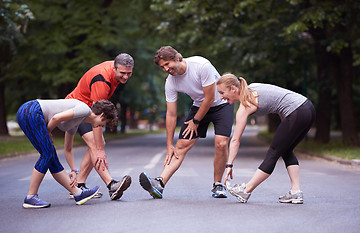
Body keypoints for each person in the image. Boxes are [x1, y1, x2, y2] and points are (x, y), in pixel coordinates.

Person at [139, 46, 234, 199]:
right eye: (162, 67)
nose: (165, 69)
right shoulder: (170, 82)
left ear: (177, 58)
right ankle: (159, 183)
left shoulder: (201, 66)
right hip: (199, 106)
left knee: (221, 143)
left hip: (221, 105)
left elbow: (209, 98)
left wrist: (195, 121)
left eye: (167, 64)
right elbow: (171, 114)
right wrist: (169, 145)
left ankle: (218, 184)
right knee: (181, 145)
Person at [216, 73, 316, 204]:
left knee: (273, 152)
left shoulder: (245, 106)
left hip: (297, 111)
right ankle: (295, 192)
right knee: (286, 150)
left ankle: (246, 190)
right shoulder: (253, 87)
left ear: (233, 89)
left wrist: (229, 165)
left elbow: (235, 140)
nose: (221, 97)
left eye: (222, 92)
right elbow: (279, 101)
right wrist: (287, 126)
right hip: (308, 108)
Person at [17, 99, 117, 208]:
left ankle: (78, 194)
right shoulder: (84, 110)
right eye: (104, 123)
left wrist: (74, 170)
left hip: (29, 113)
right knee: (48, 154)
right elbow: (56, 118)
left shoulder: (77, 121)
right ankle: (31, 197)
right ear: (102, 115)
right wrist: (48, 133)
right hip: (31, 110)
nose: (102, 126)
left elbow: (68, 149)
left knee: (52, 158)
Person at [65, 53, 134, 200]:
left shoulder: (115, 68)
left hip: (85, 110)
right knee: (96, 145)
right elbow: (97, 116)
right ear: (114, 68)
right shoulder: (102, 80)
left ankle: (79, 186)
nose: (126, 77)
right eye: (122, 73)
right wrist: (100, 150)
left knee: (98, 143)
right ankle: (111, 185)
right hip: (76, 108)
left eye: (129, 73)